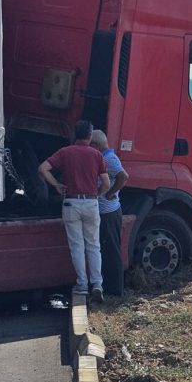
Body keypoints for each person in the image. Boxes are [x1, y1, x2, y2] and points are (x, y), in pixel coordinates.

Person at [39, 120, 110, 303]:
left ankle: (82, 285)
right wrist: (97, 194)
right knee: (94, 246)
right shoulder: (97, 155)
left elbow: (43, 168)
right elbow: (107, 183)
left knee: (77, 247)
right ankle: (97, 284)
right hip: (91, 203)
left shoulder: (65, 152)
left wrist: (55, 185)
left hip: (71, 202)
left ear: (75, 135)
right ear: (89, 136)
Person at [91, 129, 129, 297]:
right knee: (106, 249)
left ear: (95, 145)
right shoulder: (105, 157)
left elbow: (123, 176)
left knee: (111, 250)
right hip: (106, 212)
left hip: (108, 213)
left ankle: (115, 291)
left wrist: (110, 192)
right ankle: (110, 287)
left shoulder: (108, 159)